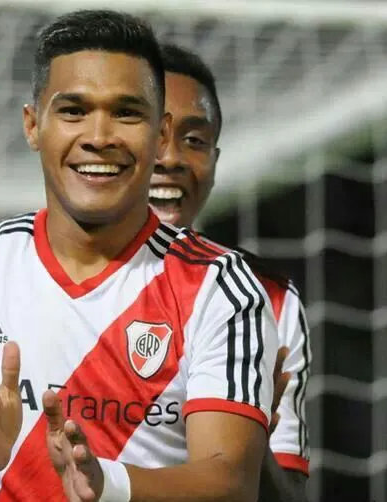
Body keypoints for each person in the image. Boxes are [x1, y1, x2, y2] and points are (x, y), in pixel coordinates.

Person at [0, 9, 279, 502]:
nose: (99, 137)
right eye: (73, 111)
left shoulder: (222, 286)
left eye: (126, 112)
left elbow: (231, 485)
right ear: (32, 125)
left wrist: (107, 485)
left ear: (159, 132)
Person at [148, 43, 311, 501]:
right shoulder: (13, 273)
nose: (171, 158)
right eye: (153, 135)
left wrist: (252, 442)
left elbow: (290, 495)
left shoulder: (267, 297)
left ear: (215, 163)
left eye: (194, 140)